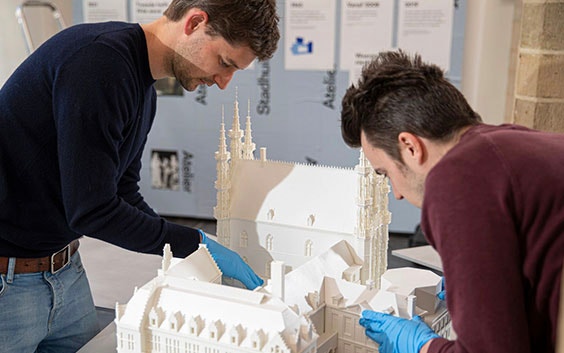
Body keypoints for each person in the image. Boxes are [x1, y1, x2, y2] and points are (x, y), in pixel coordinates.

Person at [0, 0, 279, 351]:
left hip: (64, 270)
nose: (223, 82)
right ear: (194, 23)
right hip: (9, 283)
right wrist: (195, 242)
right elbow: (92, 210)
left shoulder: (140, 83)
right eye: (224, 63)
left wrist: (192, 249)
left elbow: (123, 191)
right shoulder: (99, 63)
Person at [341, 50, 563, 353]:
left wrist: (424, 346)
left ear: (409, 146)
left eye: (386, 173)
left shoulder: (457, 181)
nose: (397, 193)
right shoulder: (512, 141)